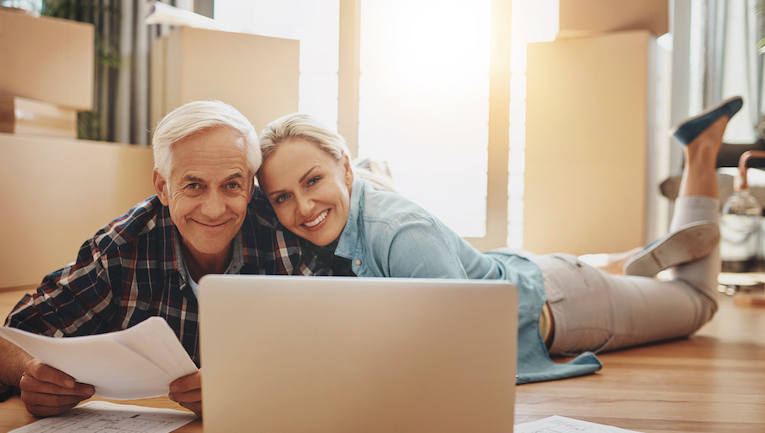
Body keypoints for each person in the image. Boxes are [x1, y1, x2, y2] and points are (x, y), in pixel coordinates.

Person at [256, 96, 742, 383]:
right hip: (521, 270)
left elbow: (463, 354)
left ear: (343, 167)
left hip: (565, 305)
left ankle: (701, 151)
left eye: (313, 181)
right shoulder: (323, 217)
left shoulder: (401, 233)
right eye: (281, 197)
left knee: (697, 299)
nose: (301, 208)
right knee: (624, 280)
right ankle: (628, 262)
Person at [0, 101, 322, 418]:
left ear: (250, 187)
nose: (214, 208)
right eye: (193, 185)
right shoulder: (121, 247)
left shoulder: (284, 237)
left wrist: (251, 386)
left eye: (232, 185)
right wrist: (29, 373)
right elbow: (11, 336)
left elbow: (328, 354)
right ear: (162, 186)